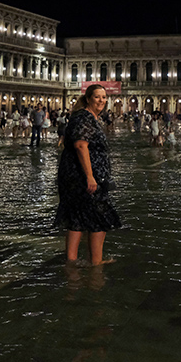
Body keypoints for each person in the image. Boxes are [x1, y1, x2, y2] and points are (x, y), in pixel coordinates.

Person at [55, 84, 121, 266]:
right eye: (98, 97)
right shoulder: (85, 117)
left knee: (76, 217)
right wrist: (90, 176)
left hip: (75, 175)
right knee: (99, 218)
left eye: (104, 97)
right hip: (84, 176)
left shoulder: (85, 116)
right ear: (88, 98)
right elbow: (81, 145)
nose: (102, 100)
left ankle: (71, 262)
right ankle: (96, 262)